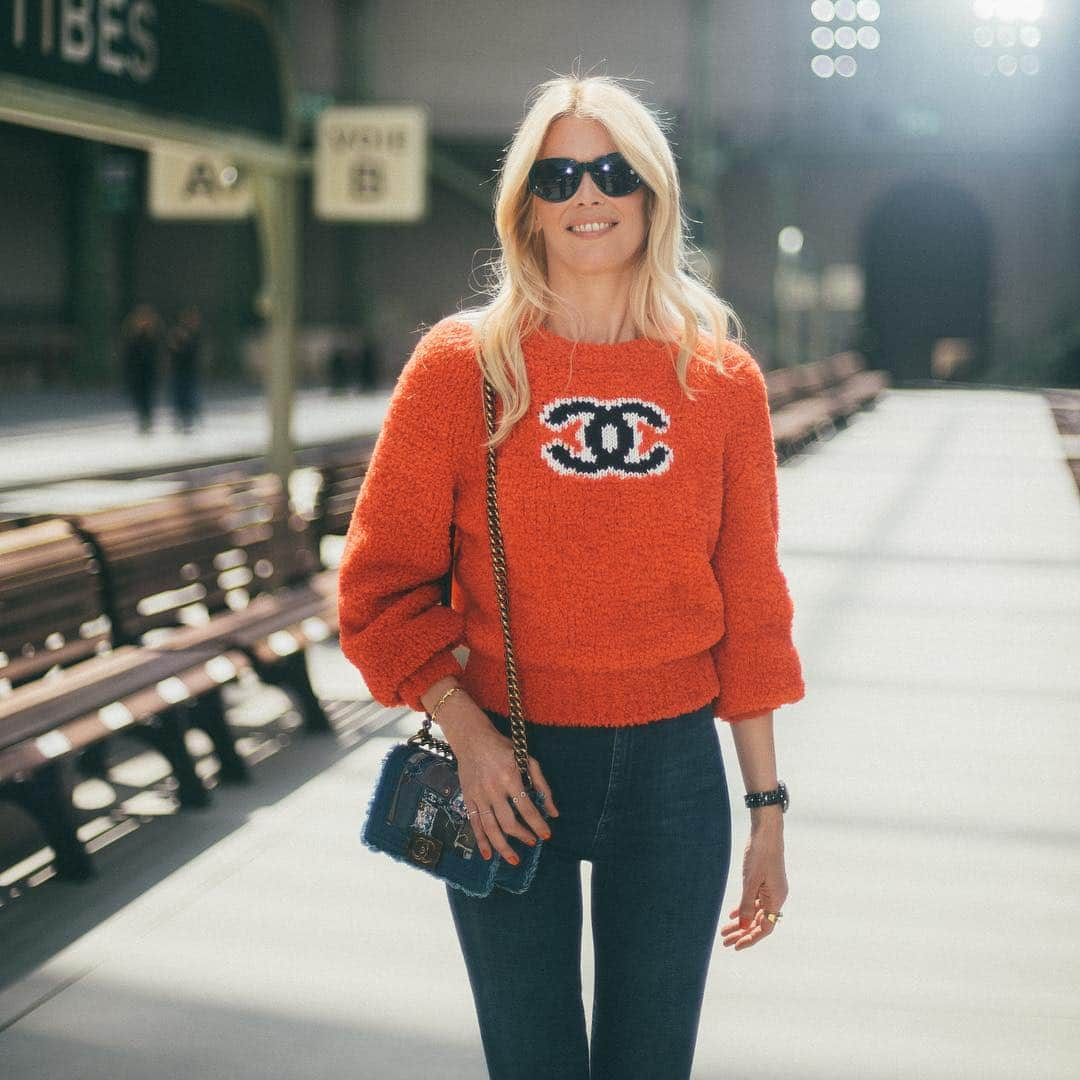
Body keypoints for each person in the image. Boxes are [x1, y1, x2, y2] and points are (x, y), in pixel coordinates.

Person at [337, 71, 805, 1080]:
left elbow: (753, 608)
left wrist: (767, 812)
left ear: (652, 195)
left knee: (650, 1064)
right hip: (505, 763)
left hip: (676, 778)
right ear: (527, 206)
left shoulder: (720, 382)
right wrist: (469, 737)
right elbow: (380, 589)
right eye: (559, 176)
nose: (587, 195)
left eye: (612, 171)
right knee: (532, 1060)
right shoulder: (462, 367)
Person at [119, 302, 162, 434]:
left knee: (147, 398)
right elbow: (128, 356)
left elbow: (157, 355)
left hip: (148, 372)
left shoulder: (153, 336)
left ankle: (146, 420)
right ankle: (144, 419)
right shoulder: (132, 336)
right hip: (136, 373)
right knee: (138, 398)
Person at [165, 305, 203, 433]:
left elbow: (193, 352)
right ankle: (183, 419)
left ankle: (190, 418)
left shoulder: (194, 334)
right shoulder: (177, 333)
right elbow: (172, 351)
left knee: (190, 396)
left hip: (189, 371)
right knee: (180, 397)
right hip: (179, 371)